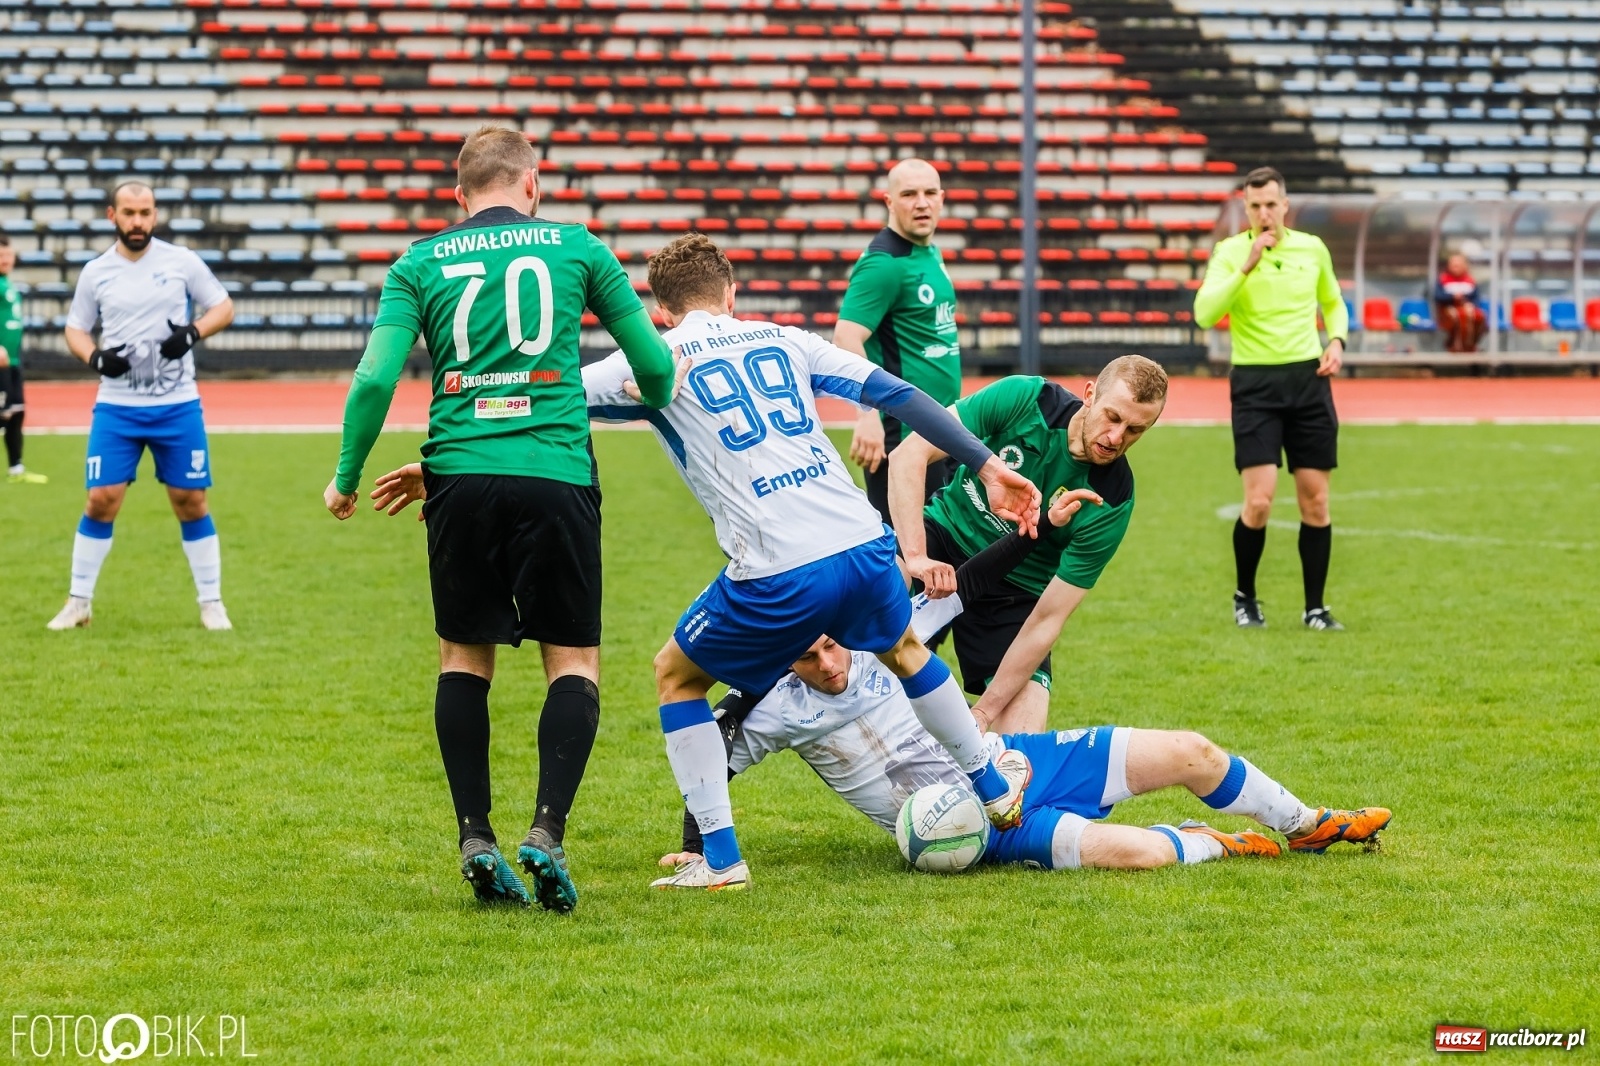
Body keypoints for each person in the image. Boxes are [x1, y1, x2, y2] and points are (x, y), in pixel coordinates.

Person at [577, 232, 1040, 892]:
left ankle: (720, 858)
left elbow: (552, 396)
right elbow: (902, 397)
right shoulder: (785, 337)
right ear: (732, 294)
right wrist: (988, 465)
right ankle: (991, 788)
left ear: (659, 312)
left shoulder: (653, 353)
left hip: (778, 567)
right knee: (905, 649)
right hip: (863, 541)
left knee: (676, 676)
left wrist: (443, 461)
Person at [323, 126, 679, 912]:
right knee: (574, 661)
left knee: (463, 657)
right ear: (533, 184)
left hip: (457, 477)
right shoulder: (577, 247)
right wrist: (654, 399)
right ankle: (546, 832)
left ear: (459, 194)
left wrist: (345, 478)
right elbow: (654, 367)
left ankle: (475, 835)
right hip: (555, 473)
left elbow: (376, 376)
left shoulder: (419, 261)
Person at [655, 551, 1391, 874]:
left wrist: (1041, 526)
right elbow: (709, 762)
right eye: (810, 657)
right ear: (781, 658)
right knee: (1134, 854)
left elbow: (968, 584)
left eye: (831, 646)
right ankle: (1218, 844)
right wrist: (701, 843)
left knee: (1192, 751)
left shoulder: (882, 636)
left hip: (1017, 764)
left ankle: (1308, 825)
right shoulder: (766, 708)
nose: (831, 662)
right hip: (965, 828)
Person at [888, 358, 1168, 737]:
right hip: (943, 536)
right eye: (1112, 417)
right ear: (1089, 395)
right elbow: (910, 453)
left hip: (1014, 591)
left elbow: (1048, 619)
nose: (1116, 437)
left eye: (1136, 429)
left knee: (1022, 743)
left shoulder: (1113, 501)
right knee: (881, 577)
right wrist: (917, 556)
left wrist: (984, 714)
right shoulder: (1025, 398)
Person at [49, 181, 235, 631]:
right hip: (117, 407)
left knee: (191, 500)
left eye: (145, 212)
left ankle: (212, 603)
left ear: (155, 215)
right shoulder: (96, 272)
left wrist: (192, 333)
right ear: (112, 215)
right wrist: (94, 357)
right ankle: (79, 603)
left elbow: (223, 306)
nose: (138, 221)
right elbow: (75, 329)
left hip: (177, 404)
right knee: (101, 499)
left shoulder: (181, 261)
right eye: (129, 212)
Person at [1193, 166, 1349, 633]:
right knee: (1259, 502)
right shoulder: (1230, 253)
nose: (1264, 213)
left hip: (1307, 381)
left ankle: (1315, 609)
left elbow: (1333, 301)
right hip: (1255, 385)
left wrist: (1337, 340)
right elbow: (1205, 313)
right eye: (1255, 206)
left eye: (1271, 204)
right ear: (1246, 209)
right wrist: (1247, 265)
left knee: (1316, 501)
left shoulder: (1312, 248)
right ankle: (1246, 597)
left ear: (1285, 206)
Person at [836, 158, 962, 523]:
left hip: (943, 427)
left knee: (948, 556)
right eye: (909, 194)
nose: (921, 203)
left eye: (929, 193)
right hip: (905, 435)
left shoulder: (929, 251)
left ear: (941, 199)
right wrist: (866, 415)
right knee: (909, 559)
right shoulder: (883, 264)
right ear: (890, 202)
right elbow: (846, 337)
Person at [0, 234, 46, 483]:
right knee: (2, 414)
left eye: (8, 254)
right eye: (0, 256)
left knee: (16, 412)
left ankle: (16, 468)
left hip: (12, 363)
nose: (5, 259)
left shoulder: (8, 284)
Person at [1434, 253, 1486, 354]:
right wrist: (1452, 297)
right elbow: (1438, 296)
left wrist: (1471, 304)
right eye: (1453, 265)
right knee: (1459, 317)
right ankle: (1455, 346)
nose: (1455, 268)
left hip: (1467, 307)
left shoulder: (1470, 280)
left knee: (1479, 316)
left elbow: (1476, 298)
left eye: (1457, 266)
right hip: (1448, 308)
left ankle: (1470, 345)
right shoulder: (1442, 279)